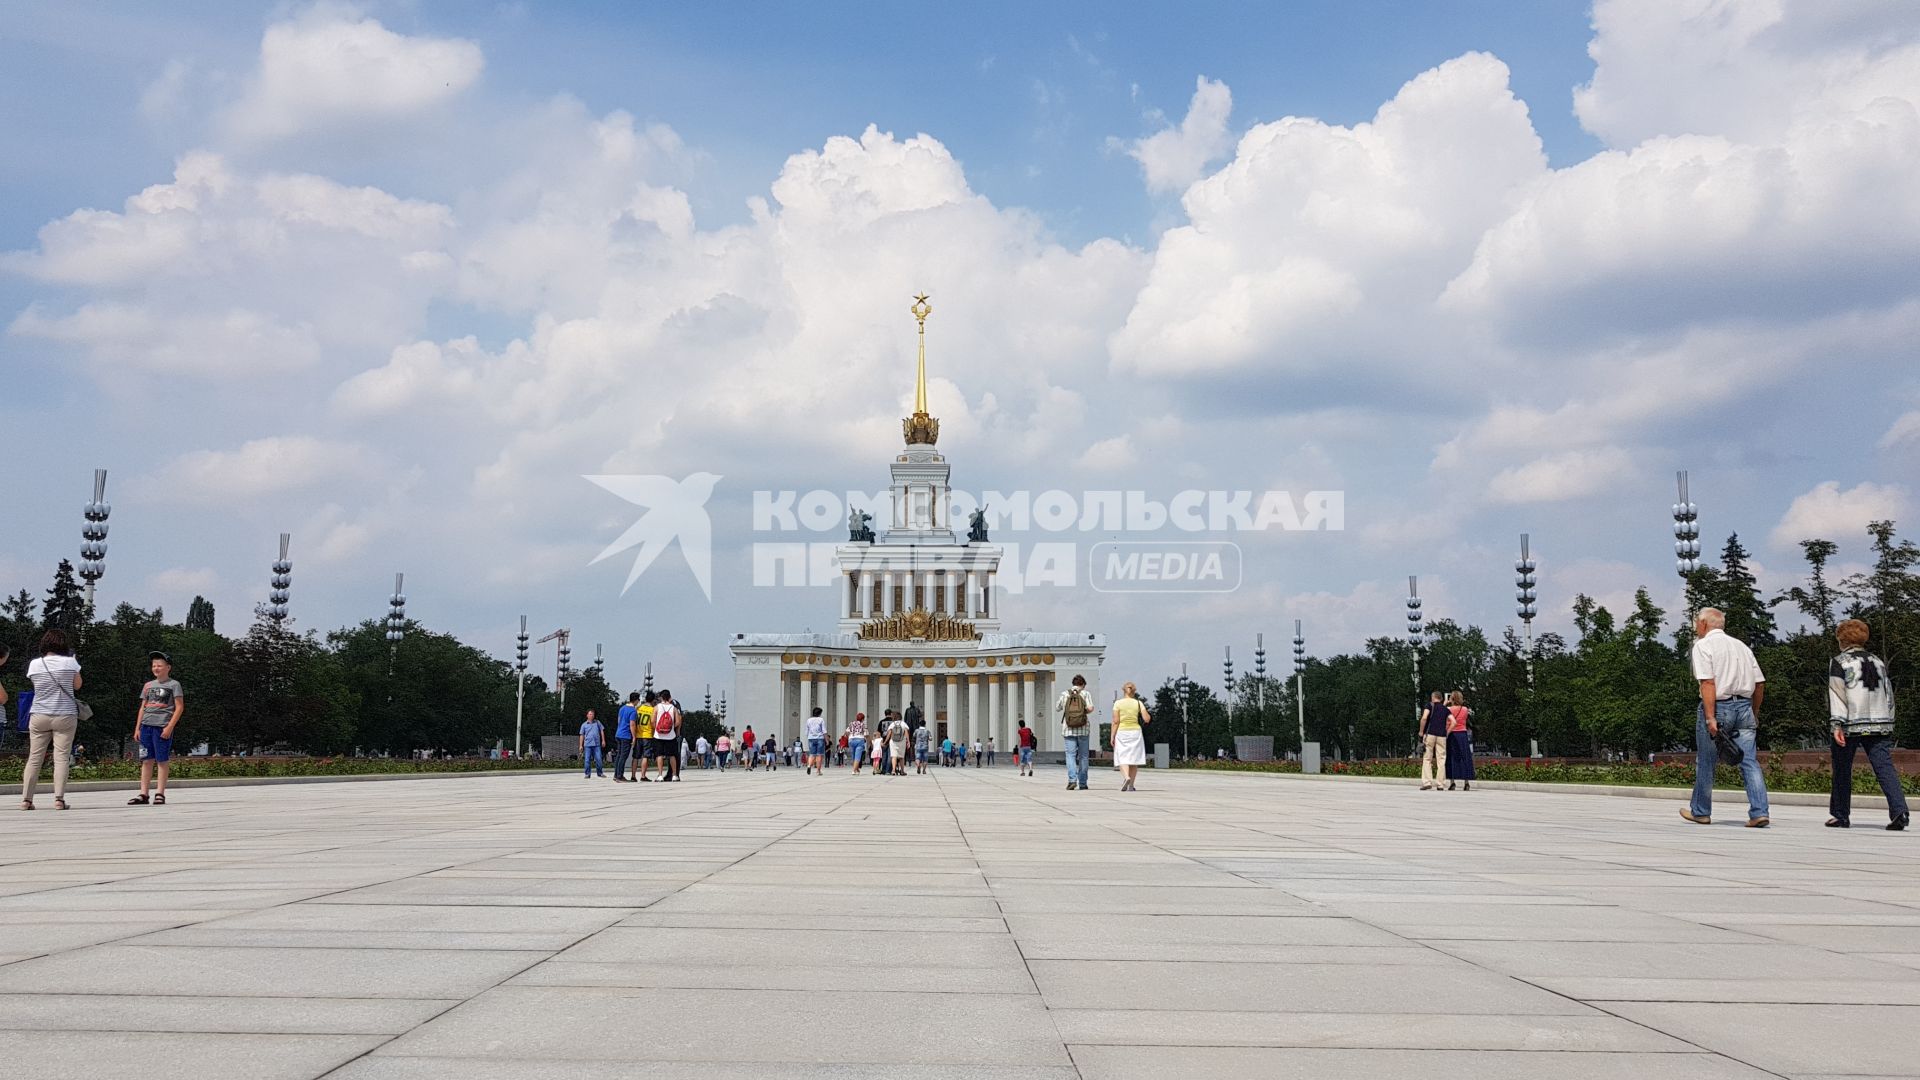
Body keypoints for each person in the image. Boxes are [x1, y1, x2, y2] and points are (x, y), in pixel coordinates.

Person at [1680, 607, 1770, 828]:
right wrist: (1754, 712)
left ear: (1703, 624)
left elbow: (1708, 682)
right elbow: (1759, 683)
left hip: (1719, 707)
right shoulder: (1742, 647)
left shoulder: (1703, 646)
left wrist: (1710, 717)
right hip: (1744, 706)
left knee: (1707, 761)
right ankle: (1759, 812)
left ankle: (1701, 811)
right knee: (1749, 760)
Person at [1827, 619, 1908, 830]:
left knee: (1842, 768)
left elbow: (1837, 693)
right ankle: (1900, 810)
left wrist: (1837, 723)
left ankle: (1841, 814)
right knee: (1884, 766)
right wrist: (1889, 717)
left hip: (1851, 722)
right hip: (1880, 720)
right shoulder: (1878, 661)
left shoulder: (1840, 662)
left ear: (1841, 639)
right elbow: (1888, 692)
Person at [22, 630, 82, 811]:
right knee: (61, 757)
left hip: (39, 713)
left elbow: (36, 686)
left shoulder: (35, 664)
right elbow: (77, 685)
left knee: (34, 758)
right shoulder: (70, 662)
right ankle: (58, 799)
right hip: (65, 714)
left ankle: (26, 800)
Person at [128, 651, 185, 806]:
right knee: (146, 760)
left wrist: (170, 726)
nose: (156, 668)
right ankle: (143, 793)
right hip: (146, 725)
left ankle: (160, 793)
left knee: (161, 760)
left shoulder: (174, 685)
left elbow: (179, 707)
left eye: (160, 665)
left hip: (162, 726)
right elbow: (143, 707)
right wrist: (138, 728)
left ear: (168, 667)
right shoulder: (148, 685)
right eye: (154, 665)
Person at [1057, 674, 1095, 790]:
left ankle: (1072, 780)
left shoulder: (1065, 694)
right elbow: (1090, 708)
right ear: (1083, 684)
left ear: (1073, 683)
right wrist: (1081, 713)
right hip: (1083, 729)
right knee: (1083, 756)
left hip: (1068, 729)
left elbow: (1057, 707)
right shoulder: (1085, 693)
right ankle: (1083, 783)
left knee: (1070, 755)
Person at [1111, 682, 1150, 791]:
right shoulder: (1138, 703)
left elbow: (1115, 721)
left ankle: (1126, 777)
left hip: (1122, 732)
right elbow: (1146, 719)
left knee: (1122, 757)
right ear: (1134, 691)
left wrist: (1112, 736)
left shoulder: (1117, 703)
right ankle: (1131, 785)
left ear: (1123, 690)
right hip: (1136, 732)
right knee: (1134, 759)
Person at [1417, 692, 1448, 790]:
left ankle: (1427, 782)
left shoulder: (1429, 705)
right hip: (1442, 736)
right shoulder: (1445, 709)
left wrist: (1421, 731)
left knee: (1427, 758)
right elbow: (1453, 721)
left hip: (1430, 734)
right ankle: (1440, 784)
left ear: (1433, 697)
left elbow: (1424, 718)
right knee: (1441, 759)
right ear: (1441, 698)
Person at [1444, 691, 1475, 792]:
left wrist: (1445, 703)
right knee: (1464, 757)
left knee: (1452, 757)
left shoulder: (1448, 709)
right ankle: (1466, 782)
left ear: (1451, 699)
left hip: (1452, 734)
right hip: (1462, 734)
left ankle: (1452, 782)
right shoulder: (1465, 709)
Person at [652, 690, 681, 781]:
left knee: (659, 755)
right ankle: (674, 775)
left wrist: (656, 728)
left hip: (658, 735)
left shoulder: (657, 707)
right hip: (670, 735)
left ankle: (660, 775)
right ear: (669, 697)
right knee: (672, 755)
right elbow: (678, 721)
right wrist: (671, 727)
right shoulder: (673, 708)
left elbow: (652, 720)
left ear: (661, 697)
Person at [613, 693, 638, 783]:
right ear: (636, 700)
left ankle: (616, 774)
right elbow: (632, 724)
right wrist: (634, 737)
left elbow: (619, 720)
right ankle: (620, 776)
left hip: (618, 733)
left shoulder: (622, 708)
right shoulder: (633, 711)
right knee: (623, 756)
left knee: (619, 755)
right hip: (626, 735)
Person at [634, 692, 658, 781]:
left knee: (636, 756)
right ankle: (643, 775)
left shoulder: (639, 708)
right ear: (653, 700)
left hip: (637, 734)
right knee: (645, 756)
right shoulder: (653, 710)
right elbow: (653, 723)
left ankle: (633, 775)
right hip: (647, 735)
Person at [579, 709, 606, 778]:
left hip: (597, 744)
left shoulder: (597, 722)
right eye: (590, 714)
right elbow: (582, 735)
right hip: (587, 745)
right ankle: (587, 774)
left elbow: (602, 731)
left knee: (599, 759)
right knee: (587, 760)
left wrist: (603, 740)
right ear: (587, 715)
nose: (591, 715)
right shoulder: (584, 725)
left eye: (593, 714)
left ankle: (600, 773)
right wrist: (580, 745)